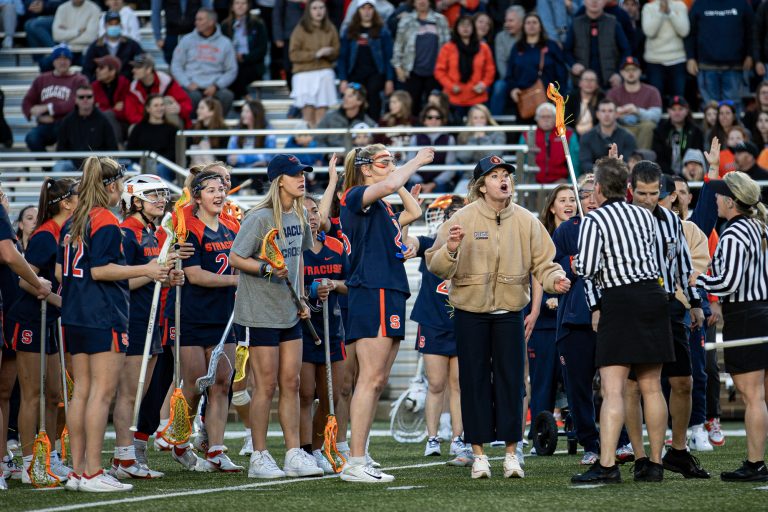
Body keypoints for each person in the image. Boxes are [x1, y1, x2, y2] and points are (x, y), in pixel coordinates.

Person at [426, 155, 569, 480]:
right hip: (469, 313)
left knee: (512, 383)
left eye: (506, 175)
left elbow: (545, 262)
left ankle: (511, 453)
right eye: (495, 176)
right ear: (481, 185)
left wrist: (554, 280)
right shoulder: (461, 217)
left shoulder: (526, 219)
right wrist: (450, 248)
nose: (503, 180)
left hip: (510, 313)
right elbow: (435, 264)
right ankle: (478, 455)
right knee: (473, 383)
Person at [56, 157, 167, 492]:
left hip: (76, 313)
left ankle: (78, 471)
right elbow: (101, 271)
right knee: (99, 394)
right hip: (102, 314)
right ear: (112, 186)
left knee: (83, 395)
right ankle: (90, 472)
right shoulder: (104, 219)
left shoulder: (74, 219)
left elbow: (68, 272)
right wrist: (146, 270)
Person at [571, 156, 673, 485]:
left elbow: (585, 267)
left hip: (620, 298)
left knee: (613, 389)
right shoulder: (644, 215)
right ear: (626, 188)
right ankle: (654, 464)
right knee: (651, 386)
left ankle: (607, 464)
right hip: (653, 296)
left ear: (598, 188)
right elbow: (656, 256)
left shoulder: (594, 220)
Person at [338, 143, 433, 482]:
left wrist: (399, 178)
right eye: (383, 161)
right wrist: (415, 162)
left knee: (377, 381)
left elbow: (413, 211)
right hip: (373, 289)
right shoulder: (355, 196)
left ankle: (359, 453)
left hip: (389, 290)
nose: (391, 165)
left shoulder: (378, 205)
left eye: (392, 160)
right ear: (365, 167)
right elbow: (391, 186)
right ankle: (355, 460)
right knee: (370, 379)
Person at [228, 155, 321, 478]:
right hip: (258, 314)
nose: (302, 179)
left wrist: (303, 297)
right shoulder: (260, 218)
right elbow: (235, 258)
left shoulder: (297, 214)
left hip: (289, 312)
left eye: (303, 174)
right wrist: (266, 267)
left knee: (291, 384)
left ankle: (294, 453)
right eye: (296, 174)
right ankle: (259, 456)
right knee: (264, 386)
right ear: (280, 179)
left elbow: (300, 262)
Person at [624, 163, 709, 481]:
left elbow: (684, 264)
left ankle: (678, 450)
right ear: (632, 189)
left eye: (653, 193)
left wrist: (696, 302)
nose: (648, 200)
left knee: (683, 381)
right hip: (633, 305)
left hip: (671, 304)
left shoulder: (672, 221)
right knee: (634, 384)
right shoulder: (622, 220)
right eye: (642, 193)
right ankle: (642, 456)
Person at [691, 171, 768, 482]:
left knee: (752, 396)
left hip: (747, 317)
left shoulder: (736, 233)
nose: (716, 201)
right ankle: (756, 461)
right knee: (761, 396)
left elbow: (726, 282)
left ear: (732, 201)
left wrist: (695, 280)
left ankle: (754, 463)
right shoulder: (760, 227)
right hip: (761, 311)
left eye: (720, 195)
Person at [110, 175, 182, 480]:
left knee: (138, 393)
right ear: (134, 201)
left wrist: (166, 277)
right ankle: (123, 457)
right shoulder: (127, 233)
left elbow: (153, 275)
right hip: (133, 318)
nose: (160, 199)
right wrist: (155, 274)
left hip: (153, 318)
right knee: (128, 392)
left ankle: (127, 456)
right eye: (152, 195)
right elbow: (121, 280)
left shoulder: (154, 232)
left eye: (162, 194)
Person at [5, 179, 76, 486]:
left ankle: (49, 455)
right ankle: (28, 460)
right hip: (31, 320)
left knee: (55, 394)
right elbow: (25, 280)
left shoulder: (69, 231)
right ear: (66, 202)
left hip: (52, 320)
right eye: (78, 197)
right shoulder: (46, 234)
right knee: (31, 395)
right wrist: (62, 301)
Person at [176, 171, 241, 472]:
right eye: (212, 190)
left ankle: (215, 449)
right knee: (194, 384)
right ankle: (179, 439)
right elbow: (195, 275)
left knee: (221, 385)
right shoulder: (189, 228)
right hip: (194, 316)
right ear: (197, 195)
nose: (219, 194)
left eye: (222, 189)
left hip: (225, 318)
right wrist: (234, 281)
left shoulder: (232, 226)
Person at [406, 195, 466, 463]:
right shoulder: (432, 243)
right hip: (432, 320)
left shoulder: (473, 248)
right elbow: (406, 244)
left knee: (458, 384)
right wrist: (409, 214)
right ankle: (432, 437)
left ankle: (458, 438)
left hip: (463, 321)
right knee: (436, 383)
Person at [0, 187, 53, 491]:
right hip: (14, 311)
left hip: (10, 313)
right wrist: (39, 284)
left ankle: (6, 459)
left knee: (6, 391)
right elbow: (14, 264)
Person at [298, 194, 349, 474]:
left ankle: (318, 448)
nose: (312, 217)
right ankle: (304, 450)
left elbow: (352, 284)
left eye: (315, 211)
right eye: (305, 213)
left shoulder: (336, 246)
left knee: (332, 396)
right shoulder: (294, 248)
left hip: (333, 329)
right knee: (305, 394)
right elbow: (287, 289)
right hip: (304, 331)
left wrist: (333, 284)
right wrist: (308, 293)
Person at [525, 184, 576, 442]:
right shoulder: (541, 236)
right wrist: (546, 300)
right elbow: (534, 274)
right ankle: (539, 434)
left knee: (575, 379)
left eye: (572, 199)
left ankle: (579, 430)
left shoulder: (583, 233)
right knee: (542, 381)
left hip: (573, 321)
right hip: (544, 323)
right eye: (562, 200)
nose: (569, 204)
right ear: (552, 206)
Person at [685, 0, 754, 112]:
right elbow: (690, 33)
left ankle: (733, 130)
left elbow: (751, 31)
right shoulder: (699, 4)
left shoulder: (742, 3)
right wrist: (690, 57)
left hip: (734, 68)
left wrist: (750, 55)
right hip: (706, 67)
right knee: (711, 111)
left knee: (732, 109)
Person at [22, 44, 89, 151]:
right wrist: (35, 115)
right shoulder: (42, 79)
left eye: (65, 58)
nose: (62, 62)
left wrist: (49, 108)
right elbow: (27, 101)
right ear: (53, 61)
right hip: (46, 124)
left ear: (70, 61)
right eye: (58, 58)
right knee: (32, 138)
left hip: (70, 124)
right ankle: (46, 167)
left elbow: (75, 102)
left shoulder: (79, 79)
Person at [171, 7, 238, 115]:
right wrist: (187, 83)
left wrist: (217, 86)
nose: (196, 22)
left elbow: (231, 70)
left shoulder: (225, 43)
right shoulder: (186, 40)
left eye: (200, 19)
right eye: (196, 19)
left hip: (215, 87)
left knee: (227, 95)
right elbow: (176, 65)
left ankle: (216, 126)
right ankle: (192, 128)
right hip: (192, 86)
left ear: (211, 22)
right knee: (192, 97)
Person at [391, 0, 450, 116]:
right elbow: (398, 46)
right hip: (412, 71)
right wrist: (398, 67)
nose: (422, 2)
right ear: (413, 2)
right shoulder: (406, 21)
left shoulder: (441, 20)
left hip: (435, 72)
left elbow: (447, 47)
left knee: (435, 108)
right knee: (411, 107)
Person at [338, 0, 394, 121]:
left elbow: (388, 56)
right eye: (363, 8)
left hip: (376, 74)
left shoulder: (382, 31)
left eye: (370, 8)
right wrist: (343, 79)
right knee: (355, 103)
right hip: (355, 74)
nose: (367, 12)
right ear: (358, 11)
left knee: (374, 102)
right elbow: (343, 56)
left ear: (374, 10)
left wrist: (389, 79)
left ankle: (372, 131)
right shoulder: (350, 31)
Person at [506, 12, 567, 123]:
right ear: (523, 27)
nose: (531, 25)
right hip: (524, 99)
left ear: (540, 27)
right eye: (528, 23)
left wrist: (559, 94)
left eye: (535, 22)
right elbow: (510, 73)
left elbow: (561, 73)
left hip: (548, 97)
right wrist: (513, 88)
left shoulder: (551, 46)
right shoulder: (517, 47)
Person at [288, 0, 340, 127]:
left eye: (321, 7)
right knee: (308, 114)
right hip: (304, 72)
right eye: (315, 8)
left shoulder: (330, 28)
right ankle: (310, 141)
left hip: (324, 71)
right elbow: (293, 54)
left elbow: (337, 51)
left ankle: (319, 141)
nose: (318, 11)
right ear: (309, 11)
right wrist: (316, 54)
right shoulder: (300, 29)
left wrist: (330, 52)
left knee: (322, 113)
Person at [434, 15, 495, 118]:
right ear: (456, 28)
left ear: (473, 28)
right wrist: (451, 86)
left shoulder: (483, 48)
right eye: (462, 25)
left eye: (468, 25)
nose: (465, 28)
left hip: (477, 96)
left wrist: (484, 84)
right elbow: (439, 71)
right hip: (453, 97)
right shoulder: (447, 48)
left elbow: (490, 70)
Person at [563, 0, 631, 90]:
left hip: (609, 82)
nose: (594, 1)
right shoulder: (576, 24)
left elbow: (626, 50)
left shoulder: (613, 23)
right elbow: (566, 50)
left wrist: (618, 73)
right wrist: (573, 64)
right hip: (582, 82)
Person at [55, 85, 119, 172]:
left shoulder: (103, 120)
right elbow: (61, 149)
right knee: (59, 167)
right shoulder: (67, 121)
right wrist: (76, 161)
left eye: (89, 97)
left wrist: (97, 162)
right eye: (81, 97)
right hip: (74, 164)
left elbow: (112, 148)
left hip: (98, 165)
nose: (85, 100)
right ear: (76, 99)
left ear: (93, 99)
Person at [606, 57, 662, 150]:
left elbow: (656, 115)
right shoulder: (613, 92)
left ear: (640, 71)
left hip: (642, 127)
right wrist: (618, 113)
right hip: (622, 126)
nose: (631, 73)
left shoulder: (652, 91)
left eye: (634, 69)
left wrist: (637, 111)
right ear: (622, 73)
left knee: (649, 125)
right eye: (627, 70)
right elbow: (605, 114)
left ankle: (640, 159)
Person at [125, 53, 193, 129]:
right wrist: (151, 123)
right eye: (134, 67)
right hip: (145, 125)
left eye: (138, 67)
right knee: (133, 128)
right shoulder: (133, 88)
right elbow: (131, 114)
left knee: (167, 101)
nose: (133, 70)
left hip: (167, 123)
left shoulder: (166, 81)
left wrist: (179, 108)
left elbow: (186, 102)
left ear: (148, 69)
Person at [640, 0, 689, 102]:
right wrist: (660, 12)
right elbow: (649, 32)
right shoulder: (648, 8)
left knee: (679, 101)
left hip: (677, 60)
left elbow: (684, 31)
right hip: (655, 61)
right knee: (655, 100)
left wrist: (670, 13)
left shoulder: (680, 6)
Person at [522, 102, 580, 184]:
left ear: (556, 118)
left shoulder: (567, 134)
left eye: (549, 117)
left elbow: (574, 161)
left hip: (559, 180)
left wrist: (572, 183)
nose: (546, 120)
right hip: (533, 180)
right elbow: (522, 161)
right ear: (537, 118)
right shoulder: (527, 135)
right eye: (542, 117)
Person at [221, 0, 268, 99]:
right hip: (231, 63)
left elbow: (262, 49)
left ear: (248, 6)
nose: (240, 6)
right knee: (233, 70)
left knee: (237, 72)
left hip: (253, 64)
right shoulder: (225, 25)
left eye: (243, 3)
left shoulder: (258, 24)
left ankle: (241, 101)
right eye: (237, 3)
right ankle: (246, 96)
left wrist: (244, 57)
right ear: (232, 6)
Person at [126, 95, 179, 181]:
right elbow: (131, 150)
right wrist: (141, 162)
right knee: (129, 171)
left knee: (159, 169)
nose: (160, 108)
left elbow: (173, 152)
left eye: (162, 105)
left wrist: (156, 162)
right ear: (148, 109)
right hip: (140, 164)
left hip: (163, 164)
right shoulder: (138, 128)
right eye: (156, 105)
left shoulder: (172, 129)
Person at [81, 11, 144, 82]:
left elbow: (141, 62)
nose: (113, 26)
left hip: (126, 86)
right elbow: (87, 69)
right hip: (102, 87)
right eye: (110, 24)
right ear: (105, 26)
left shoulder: (132, 45)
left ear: (120, 25)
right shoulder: (95, 46)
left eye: (116, 24)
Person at [579, 98, 637, 173]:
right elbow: (585, 164)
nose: (606, 115)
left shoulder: (628, 137)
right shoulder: (586, 137)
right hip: (594, 177)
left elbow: (629, 163)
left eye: (610, 111)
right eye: (603, 111)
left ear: (616, 114)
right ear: (597, 114)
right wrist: (604, 172)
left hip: (620, 176)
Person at [407, 104, 456, 193]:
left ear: (442, 120)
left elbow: (450, 168)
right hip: (417, 180)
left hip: (440, 182)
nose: (434, 120)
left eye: (437, 117)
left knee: (442, 190)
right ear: (424, 120)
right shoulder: (415, 138)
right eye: (430, 117)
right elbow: (410, 163)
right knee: (411, 189)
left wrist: (434, 183)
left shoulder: (449, 139)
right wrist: (420, 183)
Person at [652, 95, 704, 176]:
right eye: (673, 109)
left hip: (690, 174)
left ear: (686, 110)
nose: (677, 112)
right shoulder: (660, 131)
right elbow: (659, 157)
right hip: (665, 174)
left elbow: (697, 156)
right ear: (668, 111)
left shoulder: (696, 132)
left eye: (680, 109)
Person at [314, 84, 376, 152]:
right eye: (344, 95)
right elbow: (318, 139)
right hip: (330, 160)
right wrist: (328, 154)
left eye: (350, 96)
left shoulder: (369, 123)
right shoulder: (329, 117)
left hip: (356, 160)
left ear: (360, 101)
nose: (345, 98)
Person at [152, 0, 213, 65]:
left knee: (196, 64)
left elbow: (209, 11)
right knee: (172, 64)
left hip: (194, 34)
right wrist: (158, 37)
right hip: (172, 34)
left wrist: (210, 34)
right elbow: (155, 12)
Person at [490, 5, 523, 116]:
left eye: (511, 21)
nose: (507, 24)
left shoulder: (528, 36)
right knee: (499, 86)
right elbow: (501, 65)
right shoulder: (500, 37)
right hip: (508, 78)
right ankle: (494, 122)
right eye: (506, 20)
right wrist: (514, 84)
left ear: (521, 22)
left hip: (526, 78)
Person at [456, 104, 506, 179]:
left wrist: (483, 138)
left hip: (493, 175)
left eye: (482, 117)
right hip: (470, 177)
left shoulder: (498, 133)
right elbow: (463, 157)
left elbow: (496, 155)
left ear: (487, 118)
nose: (479, 121)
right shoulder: (464, 134)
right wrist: (473, 139)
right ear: (471, 120)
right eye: (475, 118)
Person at [226, 99, 277, 171]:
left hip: (258, 170)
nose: (243, 114)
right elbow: (230, 157)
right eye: (243, 111)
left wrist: (240, 158)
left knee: (258, 172)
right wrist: (256, 158)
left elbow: (269, 157)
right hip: (239, 169)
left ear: (256, 113)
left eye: (247, 111)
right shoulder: (238, 130)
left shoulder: (268, 130)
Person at [48, 0, 101, 68]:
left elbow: (90, 38)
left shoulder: (94, 9)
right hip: (65, 50)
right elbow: (56, 36)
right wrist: (78, 32)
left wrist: (66, 35)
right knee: (45, 64)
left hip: (85, 52)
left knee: (91, 65)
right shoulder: (62, 8)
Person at [91, 55, 130, 143]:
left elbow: (126, 112)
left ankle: (116, 148)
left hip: (122, 124)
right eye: (97, 67)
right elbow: (93, 112)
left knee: (108, 115)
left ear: (112, 71)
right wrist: (113, 109)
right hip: (98, 125)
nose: (97, 70)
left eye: (101, 68)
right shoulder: (94, 86)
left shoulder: (125, 84)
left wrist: (104, 109)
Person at [564, 69, 604, 138]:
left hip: (595, 136)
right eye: (586, 80)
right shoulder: (570, 98)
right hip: (573, 136)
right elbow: (566, 121)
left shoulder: (602, 99)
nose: (589, 83)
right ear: (580, 83)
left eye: (592, 80)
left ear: (597, 84)